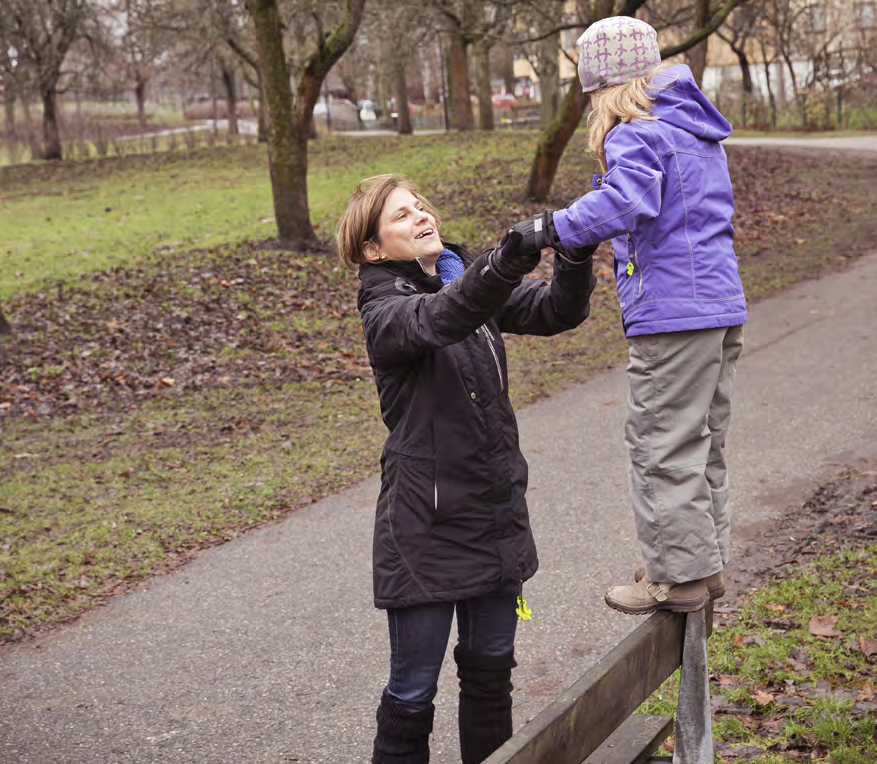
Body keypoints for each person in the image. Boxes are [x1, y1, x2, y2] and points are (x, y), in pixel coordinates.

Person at [336, 173, 596, 763]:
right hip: (426, 532)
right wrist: (503, 261)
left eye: (421, 204)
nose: (421, 215)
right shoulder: (387, 311)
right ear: (374, 248)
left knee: (490, 678)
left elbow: (559, 309)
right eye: (401, 215)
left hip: (493, 515)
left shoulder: (460, 277)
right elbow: (441, 318)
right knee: (411, 695)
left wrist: (575, 247)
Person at [509, 16, 747, 615]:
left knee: (658, 442)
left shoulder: (635, 131)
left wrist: (550, 228)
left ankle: (678, 577)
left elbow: (627, 199)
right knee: (701, 439)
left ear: (603, 87)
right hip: (720, 306)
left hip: (671, 313)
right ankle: (702, 561)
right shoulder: (694, 129)